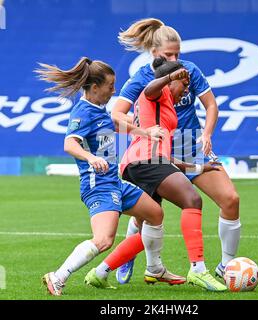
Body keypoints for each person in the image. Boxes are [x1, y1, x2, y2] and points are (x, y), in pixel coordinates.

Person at [35, 56, 185, 296]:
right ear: (95, 88)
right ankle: (58, 276)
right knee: (104, 240)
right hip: (98, 186)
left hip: (114, 182)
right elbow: (69, 144)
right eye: (110, 86)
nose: (113, 91)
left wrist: (143, 132)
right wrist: (91, 157)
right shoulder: (82, 112)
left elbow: (113, 123)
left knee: (155, 213)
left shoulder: (98, 108)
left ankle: (155, 268)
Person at [112, 18, 241, 282]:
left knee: (231, 199)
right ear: (154, 53)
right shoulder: (142, 78)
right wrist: (142, 130)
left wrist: (206, 134)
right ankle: (128, 258)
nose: (174, 58)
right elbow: (117, 114)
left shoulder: (189, 71)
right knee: (145, 215)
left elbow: (211, 105)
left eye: (177, 53)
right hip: (156, 152)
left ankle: (226, 268)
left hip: (189, 144)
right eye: (168, 54)